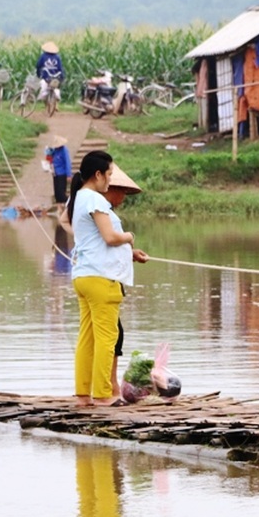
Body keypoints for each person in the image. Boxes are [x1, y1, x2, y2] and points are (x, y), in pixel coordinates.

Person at [101, 166, 149, 395]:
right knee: (111, 335)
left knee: (113, 334)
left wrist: (131, 253)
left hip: (105, 277)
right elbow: (108, 243)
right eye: (121, 193)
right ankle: (108, 387)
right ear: (111, 189)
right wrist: (129, 238)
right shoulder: (103, 214)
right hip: (104, 280)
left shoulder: (100, 213)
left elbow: (105, 247)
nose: (123, 199)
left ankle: (108, 386)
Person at [45, 135, 71, 218]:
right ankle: (60, 209)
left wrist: (69, 174)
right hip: (55, 173)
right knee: (56, 193)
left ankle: (70, 204)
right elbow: (49, 158)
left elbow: (67, 162)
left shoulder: (64, 150)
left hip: (62, 173)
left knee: (61, 192)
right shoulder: (54, 150)